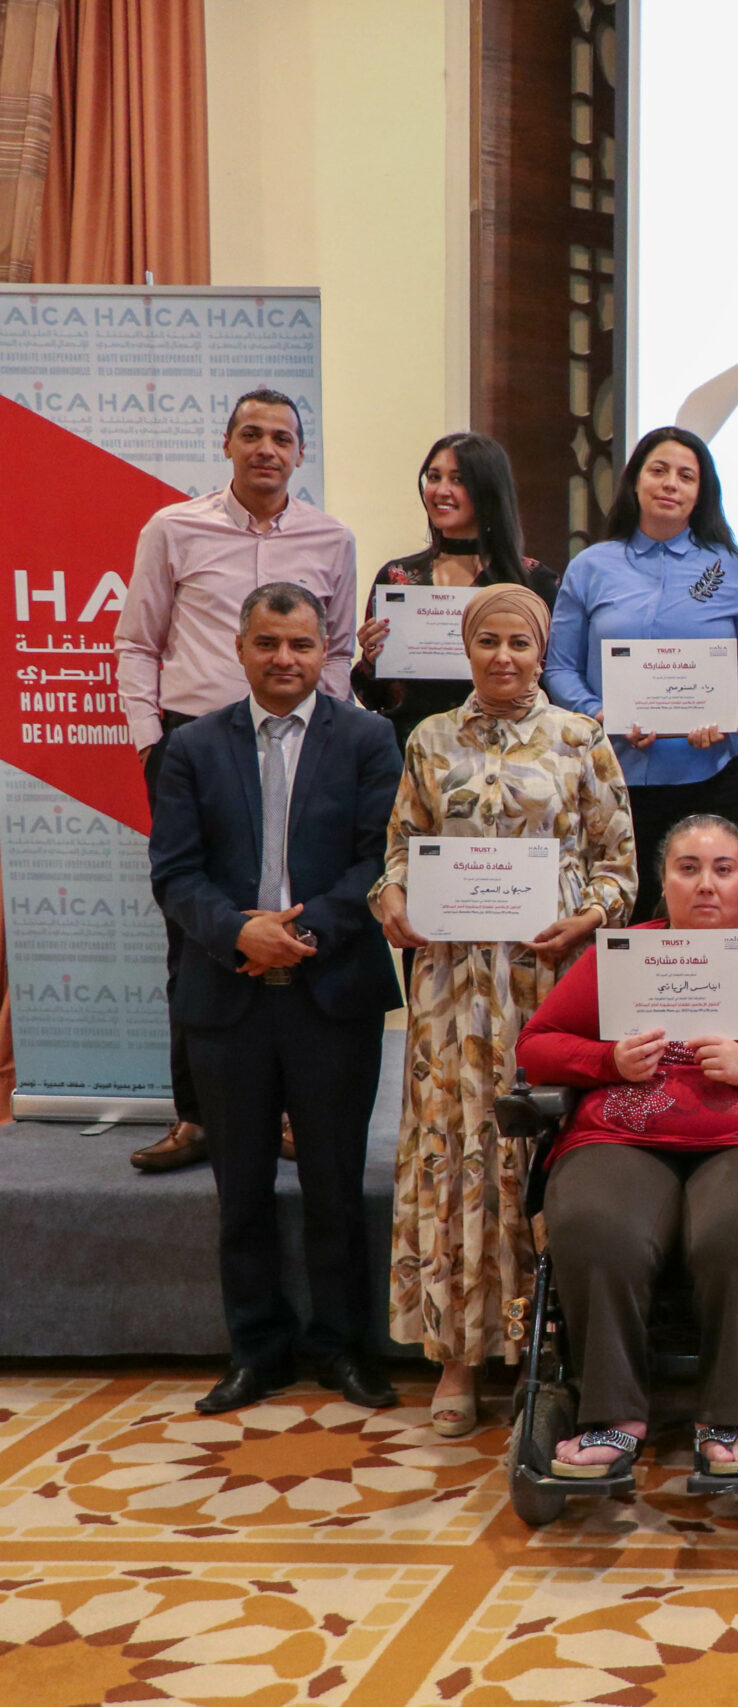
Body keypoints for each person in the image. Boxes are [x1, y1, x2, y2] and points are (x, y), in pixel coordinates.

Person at [518, 815, 738, 1478]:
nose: (706, 884)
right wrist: (607, 1060)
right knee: (596, 1226)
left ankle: (726, 1416)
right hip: (622, 1131)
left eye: (722, 869)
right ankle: (614, 1416)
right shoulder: (623, 952)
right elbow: (536, 1045)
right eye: (688, 868)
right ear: (664, 881)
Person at [370, 584, 638, 1437]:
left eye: (520, 642)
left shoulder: (580, 738)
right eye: (488, 640)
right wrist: (392, 897)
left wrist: (587, 919)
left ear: (542, 649)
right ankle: (458, 1355)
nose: (504, 657)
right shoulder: (429, 739)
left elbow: (620, 867)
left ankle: (542, 1350)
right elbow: (398, 851)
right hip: (451, 990)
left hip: (544, 982)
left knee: (536, 1152)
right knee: (455, 1152)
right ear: (467, 647)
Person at [146, 582, 403, 1415]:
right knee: (242, 1189)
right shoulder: (191, 748)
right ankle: (255, 1350)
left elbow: (379, 860)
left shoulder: (368, 738)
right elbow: (174, 873)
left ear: (325, 649)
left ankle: (342, 1346)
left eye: (299, 644)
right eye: (267, 643)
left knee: (334, 1183)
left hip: (333, 992)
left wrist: (299, 930)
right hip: (228, 996)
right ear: (240, 648)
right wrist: (238, 933)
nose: (284, 659)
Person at [117, 389, 359, 1177]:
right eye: (251, 434)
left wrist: (332, 735)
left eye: (282, 438)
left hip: (302, 747)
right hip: (196, 749)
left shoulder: (332, 537)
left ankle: (283, 1110)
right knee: (194, 930)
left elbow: (340, 648)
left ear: (300, 453)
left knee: (291, 911)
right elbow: (137, 642)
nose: (266, 448)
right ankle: (197, 1113)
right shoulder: (172, 527)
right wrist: (152, 743)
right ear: (227, 443)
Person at [544, 426, 738, 925]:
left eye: (686, 476)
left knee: (705, 916)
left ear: (701, 492)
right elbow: (559, 667)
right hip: (608, 773)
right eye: (659, 470)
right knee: (613, 919)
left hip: (708, 773)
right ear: (635, 481)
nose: (671, 483)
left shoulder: (732, 567)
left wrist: (724, 707)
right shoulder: (590, 567)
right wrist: (598, 714)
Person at [354, 432, 558, 753]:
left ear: (488, 489)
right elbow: (374, 698)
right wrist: (370, 660)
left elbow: (551, 681)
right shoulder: (397, 578)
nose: (441, 490)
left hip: (507, 752)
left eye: (458, 479)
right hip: (412, 752)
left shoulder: (532, 582)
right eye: (434, 477)